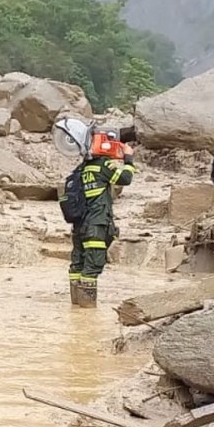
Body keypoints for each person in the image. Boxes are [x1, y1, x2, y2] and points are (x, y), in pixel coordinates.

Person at [67, 131, 135, 308]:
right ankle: (87, 311)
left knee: (77, 265)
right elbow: (126, 179)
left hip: (79, 226)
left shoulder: (82, 169)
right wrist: (128, 159)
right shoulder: (103, 165)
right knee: (92, 266)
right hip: (96, 225)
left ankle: (76, 307)